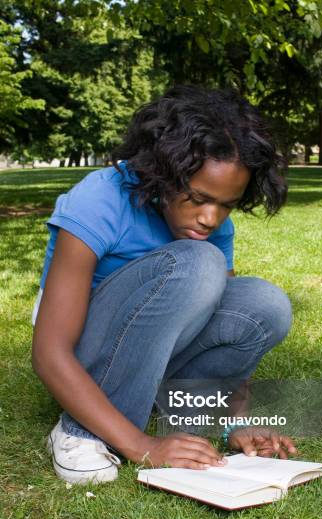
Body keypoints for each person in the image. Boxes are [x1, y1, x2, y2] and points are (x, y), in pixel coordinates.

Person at [31, 85, 296, 485]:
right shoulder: (99, 200)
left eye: (226, 205)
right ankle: (79, 432)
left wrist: (237, 422)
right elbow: (50, 353)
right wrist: (143, 446)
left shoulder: (209, 227)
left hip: (156, 355)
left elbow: (223, 318)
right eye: (198, 197)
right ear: (164, 173)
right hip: (84, 359)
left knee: (266, 304)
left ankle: (180, 408)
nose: (211, 218)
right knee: (199, 263)